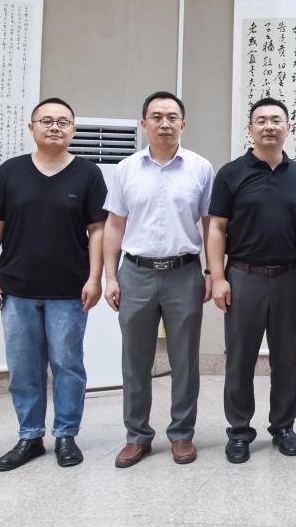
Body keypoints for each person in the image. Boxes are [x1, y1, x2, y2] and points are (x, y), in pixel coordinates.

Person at [0, 98, 107, 471]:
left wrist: (94, 278)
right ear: (31, 127)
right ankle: (30, 436)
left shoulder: (88, 174)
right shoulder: (11, 171)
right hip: (16, 288)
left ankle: (66, 434)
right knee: (23, 367)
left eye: (63, 122)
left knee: (68, 364)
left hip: (69, 290)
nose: (54, 127)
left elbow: (98, 230)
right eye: (46, 121)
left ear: (73, 130)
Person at [103, 91, 214, 468]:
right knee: (135, 359)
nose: (164, 123)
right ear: (143, 124)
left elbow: (211, 225)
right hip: (136, 273)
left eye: (172, 117)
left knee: (185, 359)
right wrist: (110, 276)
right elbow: (114, 225)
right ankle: (137, 436)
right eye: (156, 117)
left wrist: (212, 271)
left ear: (183, 124)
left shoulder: (201, 168)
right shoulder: (126, 169)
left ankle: (182, 433)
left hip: (185, 273)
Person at [206, 97, 296, 464]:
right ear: (250, 129)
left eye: (276, 120)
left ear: (288, 128)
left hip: (288, 276)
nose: (269, 126)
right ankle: (239, 431)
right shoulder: (231, 173)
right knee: (240, 358)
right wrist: (218, 276)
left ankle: (283, 426)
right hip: (243, 276)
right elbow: (216, 228)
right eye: (261, 120)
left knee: (286, 359)